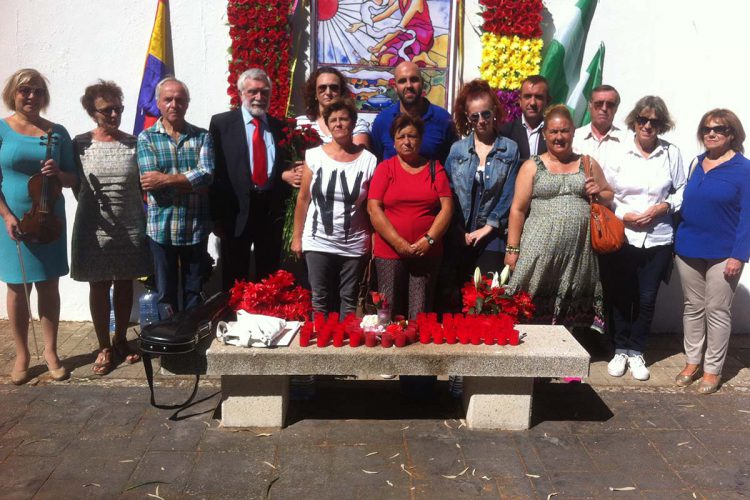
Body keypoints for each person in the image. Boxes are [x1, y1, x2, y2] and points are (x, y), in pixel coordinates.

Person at [0, 68, 77, 384]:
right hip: (11, 219)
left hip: (48, 216)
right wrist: (6, 215)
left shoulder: (57, 132)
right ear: (13, 94)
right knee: (17, 287)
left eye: (37, 91)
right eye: (24, 90)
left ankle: (50, 352)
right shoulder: (2, 130)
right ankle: (22, 354)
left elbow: (74, 180)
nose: (31, 96)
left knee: (48, 285)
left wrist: (58, 171)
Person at [505, 105, 612, 329]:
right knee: (527, 301)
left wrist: (598, 193)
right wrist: (512, 250)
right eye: (553, 132)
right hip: (538, 252)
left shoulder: (587, 163)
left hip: (577, 253)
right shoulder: (532, 166)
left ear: (573, 132)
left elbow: (608, 195)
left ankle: (566, 350)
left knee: (570, 307)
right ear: (545, 134)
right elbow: (518, 209)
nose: (559, 137)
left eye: (564, 131)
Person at [71, 80, 152, 375]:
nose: (114, 114)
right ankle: (103, 345)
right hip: (93, 226)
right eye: (107, 110)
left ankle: (121, 340)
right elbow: (75, 185)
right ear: (92, 111)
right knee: (98, 283)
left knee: (124, 281)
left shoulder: (134, 142)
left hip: (130, 222)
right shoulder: (79, 143)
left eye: (118, 108)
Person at [602, 96, 685, 381]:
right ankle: (620, 349)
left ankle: (637, 351)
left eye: (654, 121)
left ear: (662, 125)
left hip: (658, 238)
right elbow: (607, 193)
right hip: (624, 236)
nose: (648, 126)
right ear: (634, 121)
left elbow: (680, 190)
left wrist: (664, 207)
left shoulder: (671, 154)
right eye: (643, 120)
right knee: (621, 295)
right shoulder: (619, 153)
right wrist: (625, 215)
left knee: (647, 298)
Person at [674, 109, 750, 394]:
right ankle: (692, 362)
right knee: (692, 308)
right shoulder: (697, 163)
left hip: (724, 253)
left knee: (717, 311)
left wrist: (739, 255)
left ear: (732, 134)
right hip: (689, 248)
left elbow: (748, 216)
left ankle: (712, 369)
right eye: (706, 129)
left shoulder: (744, 169)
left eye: (719, 129)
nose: (711, 133)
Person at [210, 68, 298, 290]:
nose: (259, 97)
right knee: (234, 275)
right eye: (253, 92)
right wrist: (215, 218)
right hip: (235, 211)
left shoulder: (281, 128)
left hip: (270, 211)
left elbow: (283, 170)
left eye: (264, 92)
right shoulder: (222, 125)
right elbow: (216, 172)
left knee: (268, 275)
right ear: (241, 93)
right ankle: (232, 320)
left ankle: (265, 321)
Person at [291, 98, 377, 314]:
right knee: (319, 299)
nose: (339, 124)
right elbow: (303, 198)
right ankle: (320, 345)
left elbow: (372, 206)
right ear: (328, 125)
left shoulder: (368, 160)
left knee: (349, 300)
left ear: (353, 123)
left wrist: (374, 240)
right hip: (317, 240)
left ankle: (343, 346)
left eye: (344, 119)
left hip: (354, 244)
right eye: (334, 120)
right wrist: (297, 237)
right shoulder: (314, 155)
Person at [137, 77, 213, 314]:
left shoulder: (202, 137)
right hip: (161, 229)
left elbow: (207, 175)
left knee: (194, 290)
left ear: (187, 104)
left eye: (179, 100)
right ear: (158, 103)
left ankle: (191, 341)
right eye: (168, 99)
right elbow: (150, 182)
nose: (174, 104)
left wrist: (166, 179)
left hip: (195, 227)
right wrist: (190, 181)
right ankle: (167, 343)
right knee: (164, 294)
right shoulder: (146, 138)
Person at [442, 79, 519, 310]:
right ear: (467, 117)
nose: (481, 121)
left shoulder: (510, 148)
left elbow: (509, 193)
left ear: (494, 111)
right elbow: (448, 192)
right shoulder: (457, 150)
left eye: (485, 114)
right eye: (474, 116)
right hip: (460, 233)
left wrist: (487, 228)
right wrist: (458, 230)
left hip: (492, 235)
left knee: (485, 297)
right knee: (456, 297)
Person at [368, 113, 453, 319]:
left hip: (426, 252)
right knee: (388, 310)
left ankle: (418, 351)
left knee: (420, 311)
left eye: (412, 136)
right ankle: (388, 350)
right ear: (394, 142)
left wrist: (429, 240)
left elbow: (447, 208)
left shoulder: (435, 169)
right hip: (390, 252)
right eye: (401, 137)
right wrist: (398, 243)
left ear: (420, 139)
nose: (407, 141)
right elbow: (374, 208)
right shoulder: (385, 168)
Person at [371, 61, 457, 164]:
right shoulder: (382, 121)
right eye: (402, 81)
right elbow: (376, 164)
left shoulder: (443, 119)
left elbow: (453, 166)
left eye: (414, 80)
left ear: (422, 83)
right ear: (395, 87)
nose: (409, 85)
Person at [297, 67, 371, 149]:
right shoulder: (300, 123)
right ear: (315, 93)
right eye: (322, 88)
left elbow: (359, 158)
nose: (328, 92)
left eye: (334, 88)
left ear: (341, 92)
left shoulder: (356, 124)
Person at [573, 85, 626, 177]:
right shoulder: (574, 138)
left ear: (616, 109)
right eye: (599, 104)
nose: (604, 108)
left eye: (610, 104)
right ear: (590, 106)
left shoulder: (626, 141)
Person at [499, 75, 549, 162]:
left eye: (538, 97)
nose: (532, 102)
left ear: (547, 101)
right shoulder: (505, 133)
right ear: (520, 100)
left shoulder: (555, 133)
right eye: (527, 96)